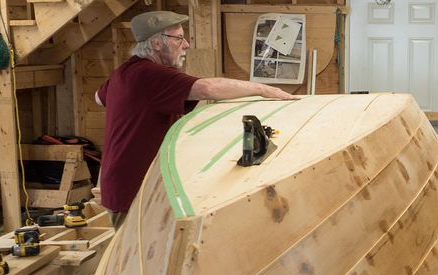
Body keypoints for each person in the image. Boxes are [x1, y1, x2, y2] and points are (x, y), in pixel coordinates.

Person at [95, 11, 296, 227]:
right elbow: (208, 88)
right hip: (135, 191)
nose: (187, 45)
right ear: (155, 43)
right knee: (139, 257)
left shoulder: (124, 72)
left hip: (124, 184)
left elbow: (99, 98)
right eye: (179, 38)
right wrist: (262, 89)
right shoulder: (150, 74)